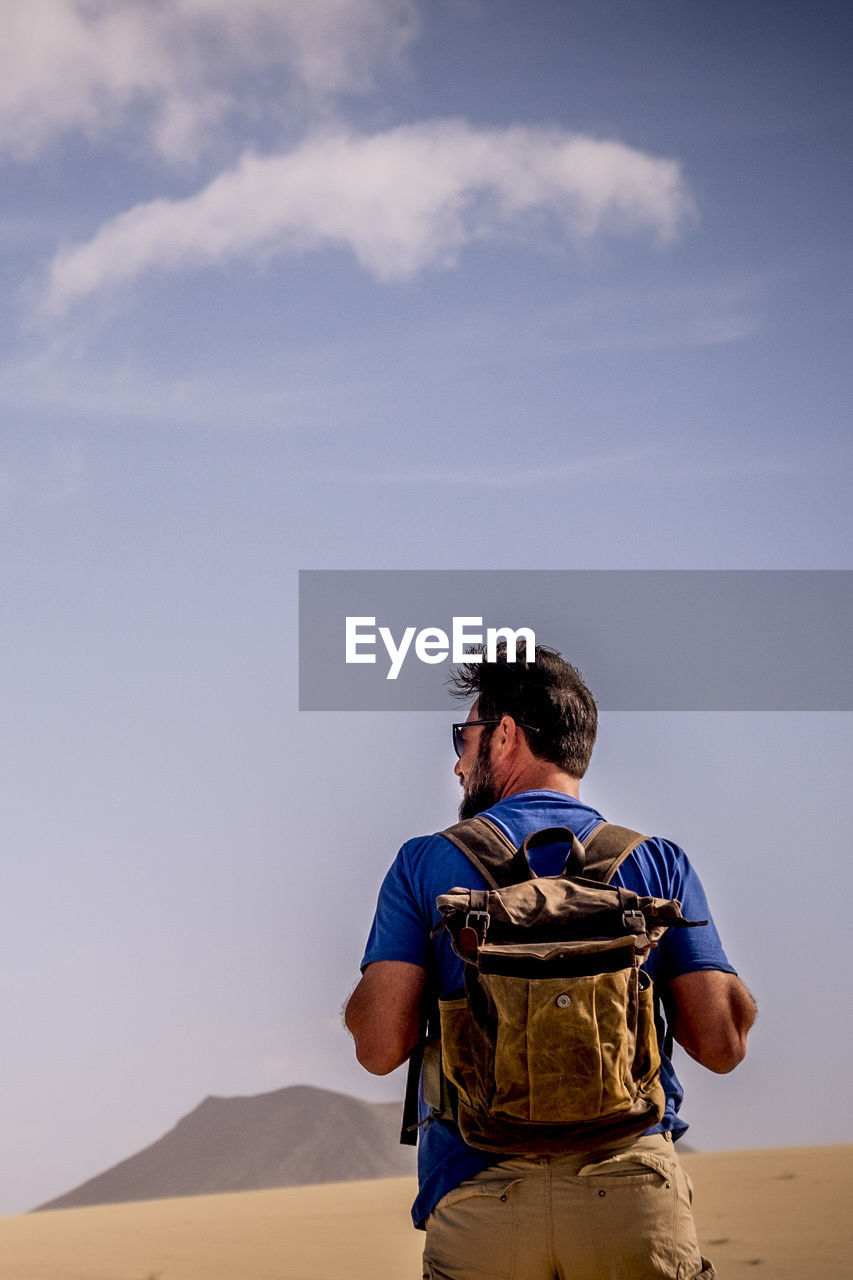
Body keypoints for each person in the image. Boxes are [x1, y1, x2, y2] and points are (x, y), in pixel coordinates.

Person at [345, 644, 755, 1280]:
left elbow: (377, 1047)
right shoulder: (656, 864)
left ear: (505, 734)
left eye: (465, 735)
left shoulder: (424, 864)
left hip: (481, 1193)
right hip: (629, 1192)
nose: (458, 763)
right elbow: (723, 1044)